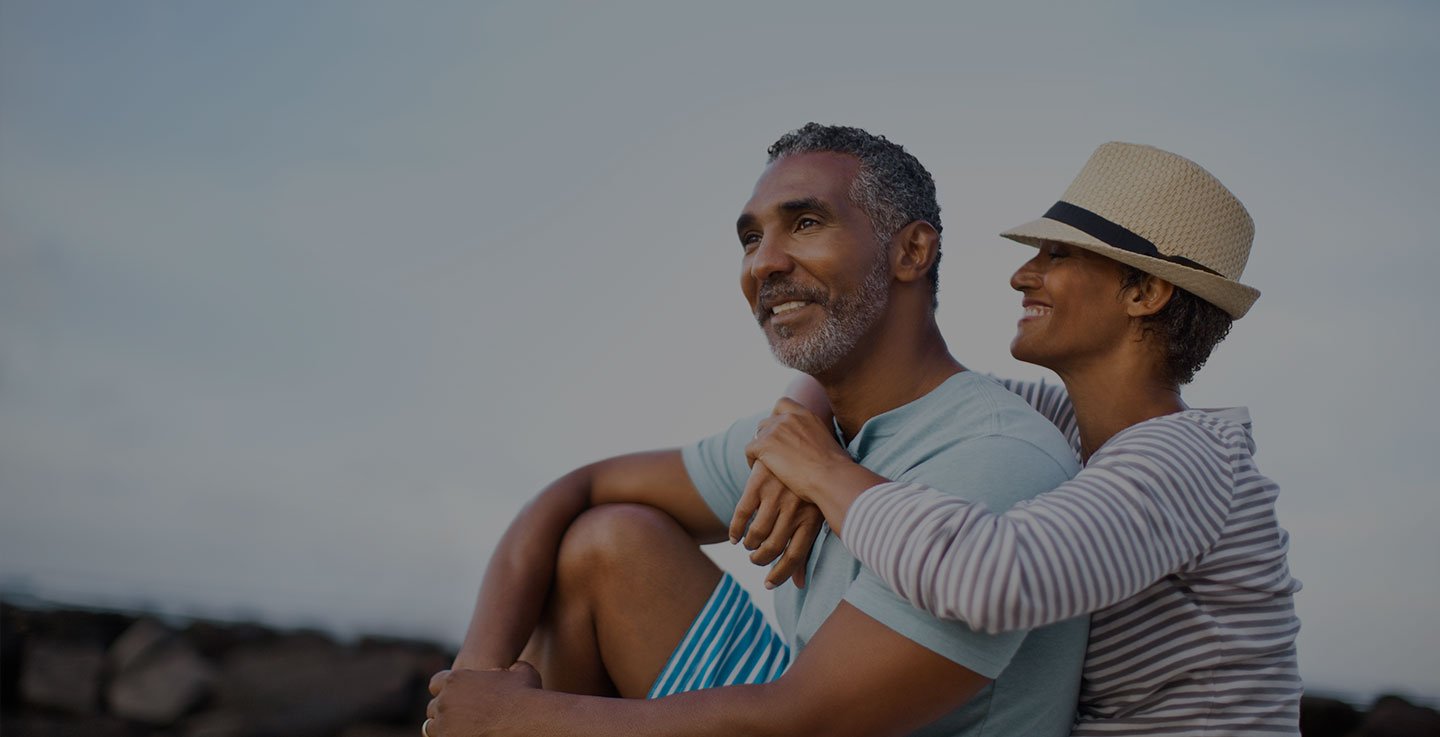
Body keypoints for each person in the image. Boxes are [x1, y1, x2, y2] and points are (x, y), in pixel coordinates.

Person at [423, 123, 1088, 737]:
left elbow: (805, 722)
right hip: (793, 710)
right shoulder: (802, 443)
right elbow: (578, 487)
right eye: (750, 238)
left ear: (911, 251)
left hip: (805, 720)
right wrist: (477, 678)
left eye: (804, 223)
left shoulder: (992, 461)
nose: (763, 263)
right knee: (609, 543)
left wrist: (521, 716)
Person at [742, 142, 1302, 735]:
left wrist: (822, 471)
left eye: (1055, 254)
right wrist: (796, 418)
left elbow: (994, 581)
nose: (1020, 275)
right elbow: (876, 382)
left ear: (1144, 294)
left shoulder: (1189, 456)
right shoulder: (1061, 421)